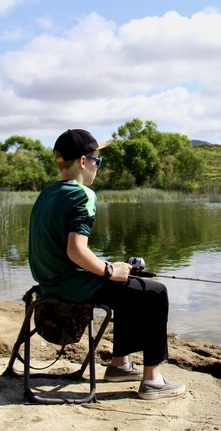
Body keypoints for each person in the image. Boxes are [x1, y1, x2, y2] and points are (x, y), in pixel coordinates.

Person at [28, 129, 185, 400]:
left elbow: (64, 252)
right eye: (96, 161)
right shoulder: (82, 195)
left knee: (127, 284)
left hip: (49, 285)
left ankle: (120, 365)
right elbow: (76, 251)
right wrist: (109, 270)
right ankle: (153, 381)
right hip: (73, 288)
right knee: (155, 292)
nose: (97, 167)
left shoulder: (46, 194)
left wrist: (107, 267)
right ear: (82, 161)